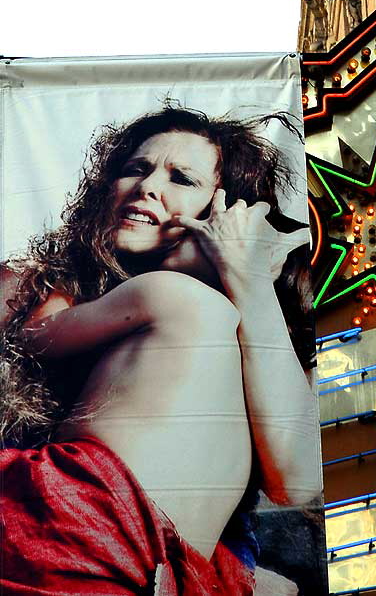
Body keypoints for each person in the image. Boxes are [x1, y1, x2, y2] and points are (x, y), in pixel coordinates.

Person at [0, 105, 321, 595]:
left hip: (161, 562)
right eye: (136, 168)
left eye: (181, 179)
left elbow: (297, 481)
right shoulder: (37, 282)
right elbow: (31, 338)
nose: (148, 186)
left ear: (224, 211)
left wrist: (247, 280)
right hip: (50, 525)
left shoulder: (239, 324)